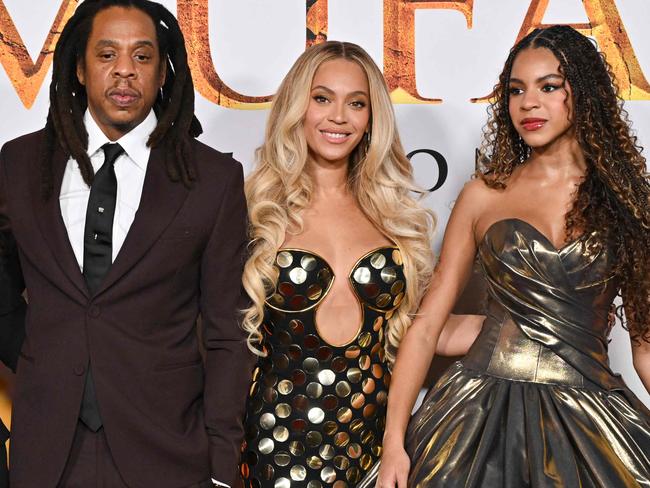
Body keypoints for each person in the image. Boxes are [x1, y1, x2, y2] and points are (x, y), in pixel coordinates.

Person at [374, 25, 650, 488]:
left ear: (582, 93)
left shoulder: (627, 202)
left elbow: (644, 344)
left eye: (549, 87)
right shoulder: (484, 196)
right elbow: (426, 326)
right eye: (516, 90)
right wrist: (393, 441)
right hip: (477, 416)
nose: (528, 104)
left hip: (589, 415)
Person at [0, 1, 252, 486]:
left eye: (142, 57)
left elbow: (228, 332)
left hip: (167, 452)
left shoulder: (212, 180)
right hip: (47, 452)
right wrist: (46, 356)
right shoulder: (19, 164)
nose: (123, 71)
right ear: (78, 66)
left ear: (163, 73)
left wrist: (222, 463)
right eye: (106, 54)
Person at [237, 40, 482, 488]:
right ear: (298, 106)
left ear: (372, 118)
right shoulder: (256, 212)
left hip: (374, 449)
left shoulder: (390, 217)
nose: (338, 117)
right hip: (276, 446)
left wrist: (530, 330)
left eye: (357, 104)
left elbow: (424, 329)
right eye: (322, 98)